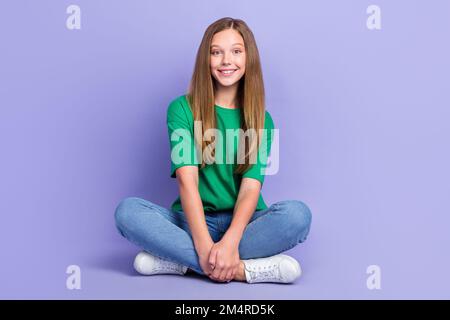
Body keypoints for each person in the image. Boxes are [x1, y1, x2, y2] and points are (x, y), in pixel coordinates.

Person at [114, 17, 312, 284]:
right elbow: (187, 181)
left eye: (236, 51)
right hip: (193, 221)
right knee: (128, 212)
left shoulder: (263, 121)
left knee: (297, 216)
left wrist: (230, 240)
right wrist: (206, 246)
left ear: (248, 58)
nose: (226, 60)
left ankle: (182, 263)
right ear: (205, 59)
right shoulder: (181, 109)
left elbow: (251, 188)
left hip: (244, 225)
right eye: (216, 52)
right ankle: (244, 270)